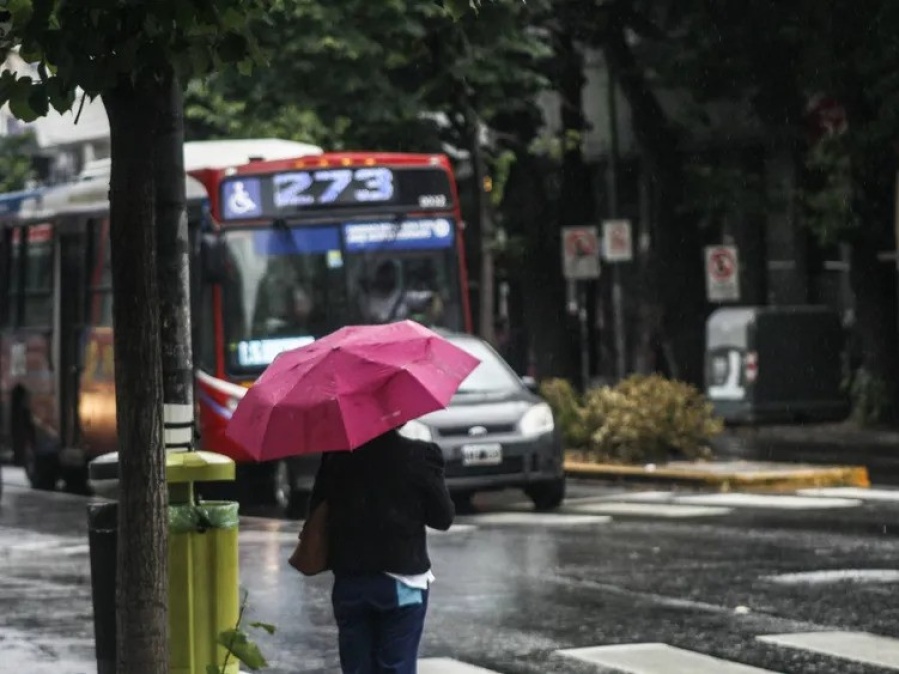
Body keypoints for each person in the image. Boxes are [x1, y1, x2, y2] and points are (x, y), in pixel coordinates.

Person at [308, 428, 455, 674]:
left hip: (350, 583)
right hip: (402, 581)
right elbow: (443, 518)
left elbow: (316, 513)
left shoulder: (336, 458)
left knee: (356, 667)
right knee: (396, 666)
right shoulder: (419, 455)